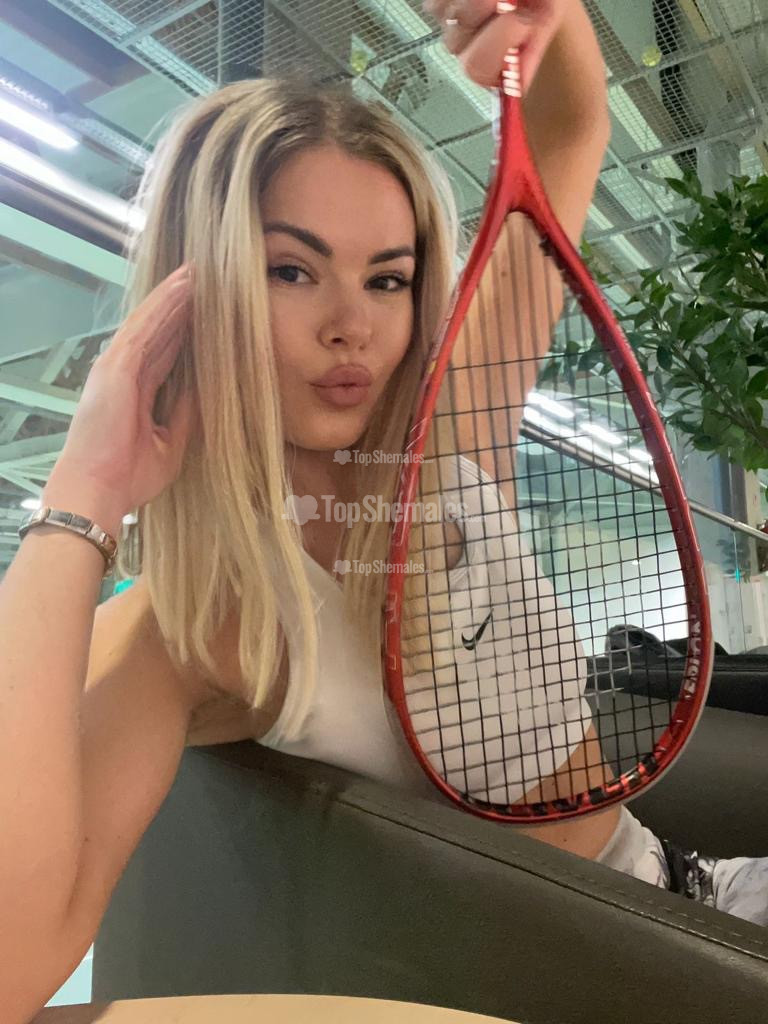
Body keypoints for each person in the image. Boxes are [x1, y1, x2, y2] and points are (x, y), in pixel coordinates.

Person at [1, 2, 766, 1018]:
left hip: (708, 887)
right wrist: (79, 499)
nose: (352, 326)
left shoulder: (452, 434)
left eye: (388, 278)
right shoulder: (203, 621)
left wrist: (550, 20)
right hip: (659, 967)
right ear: (198, 287)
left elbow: (570, 123)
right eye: (291, 269)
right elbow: (15, 960)